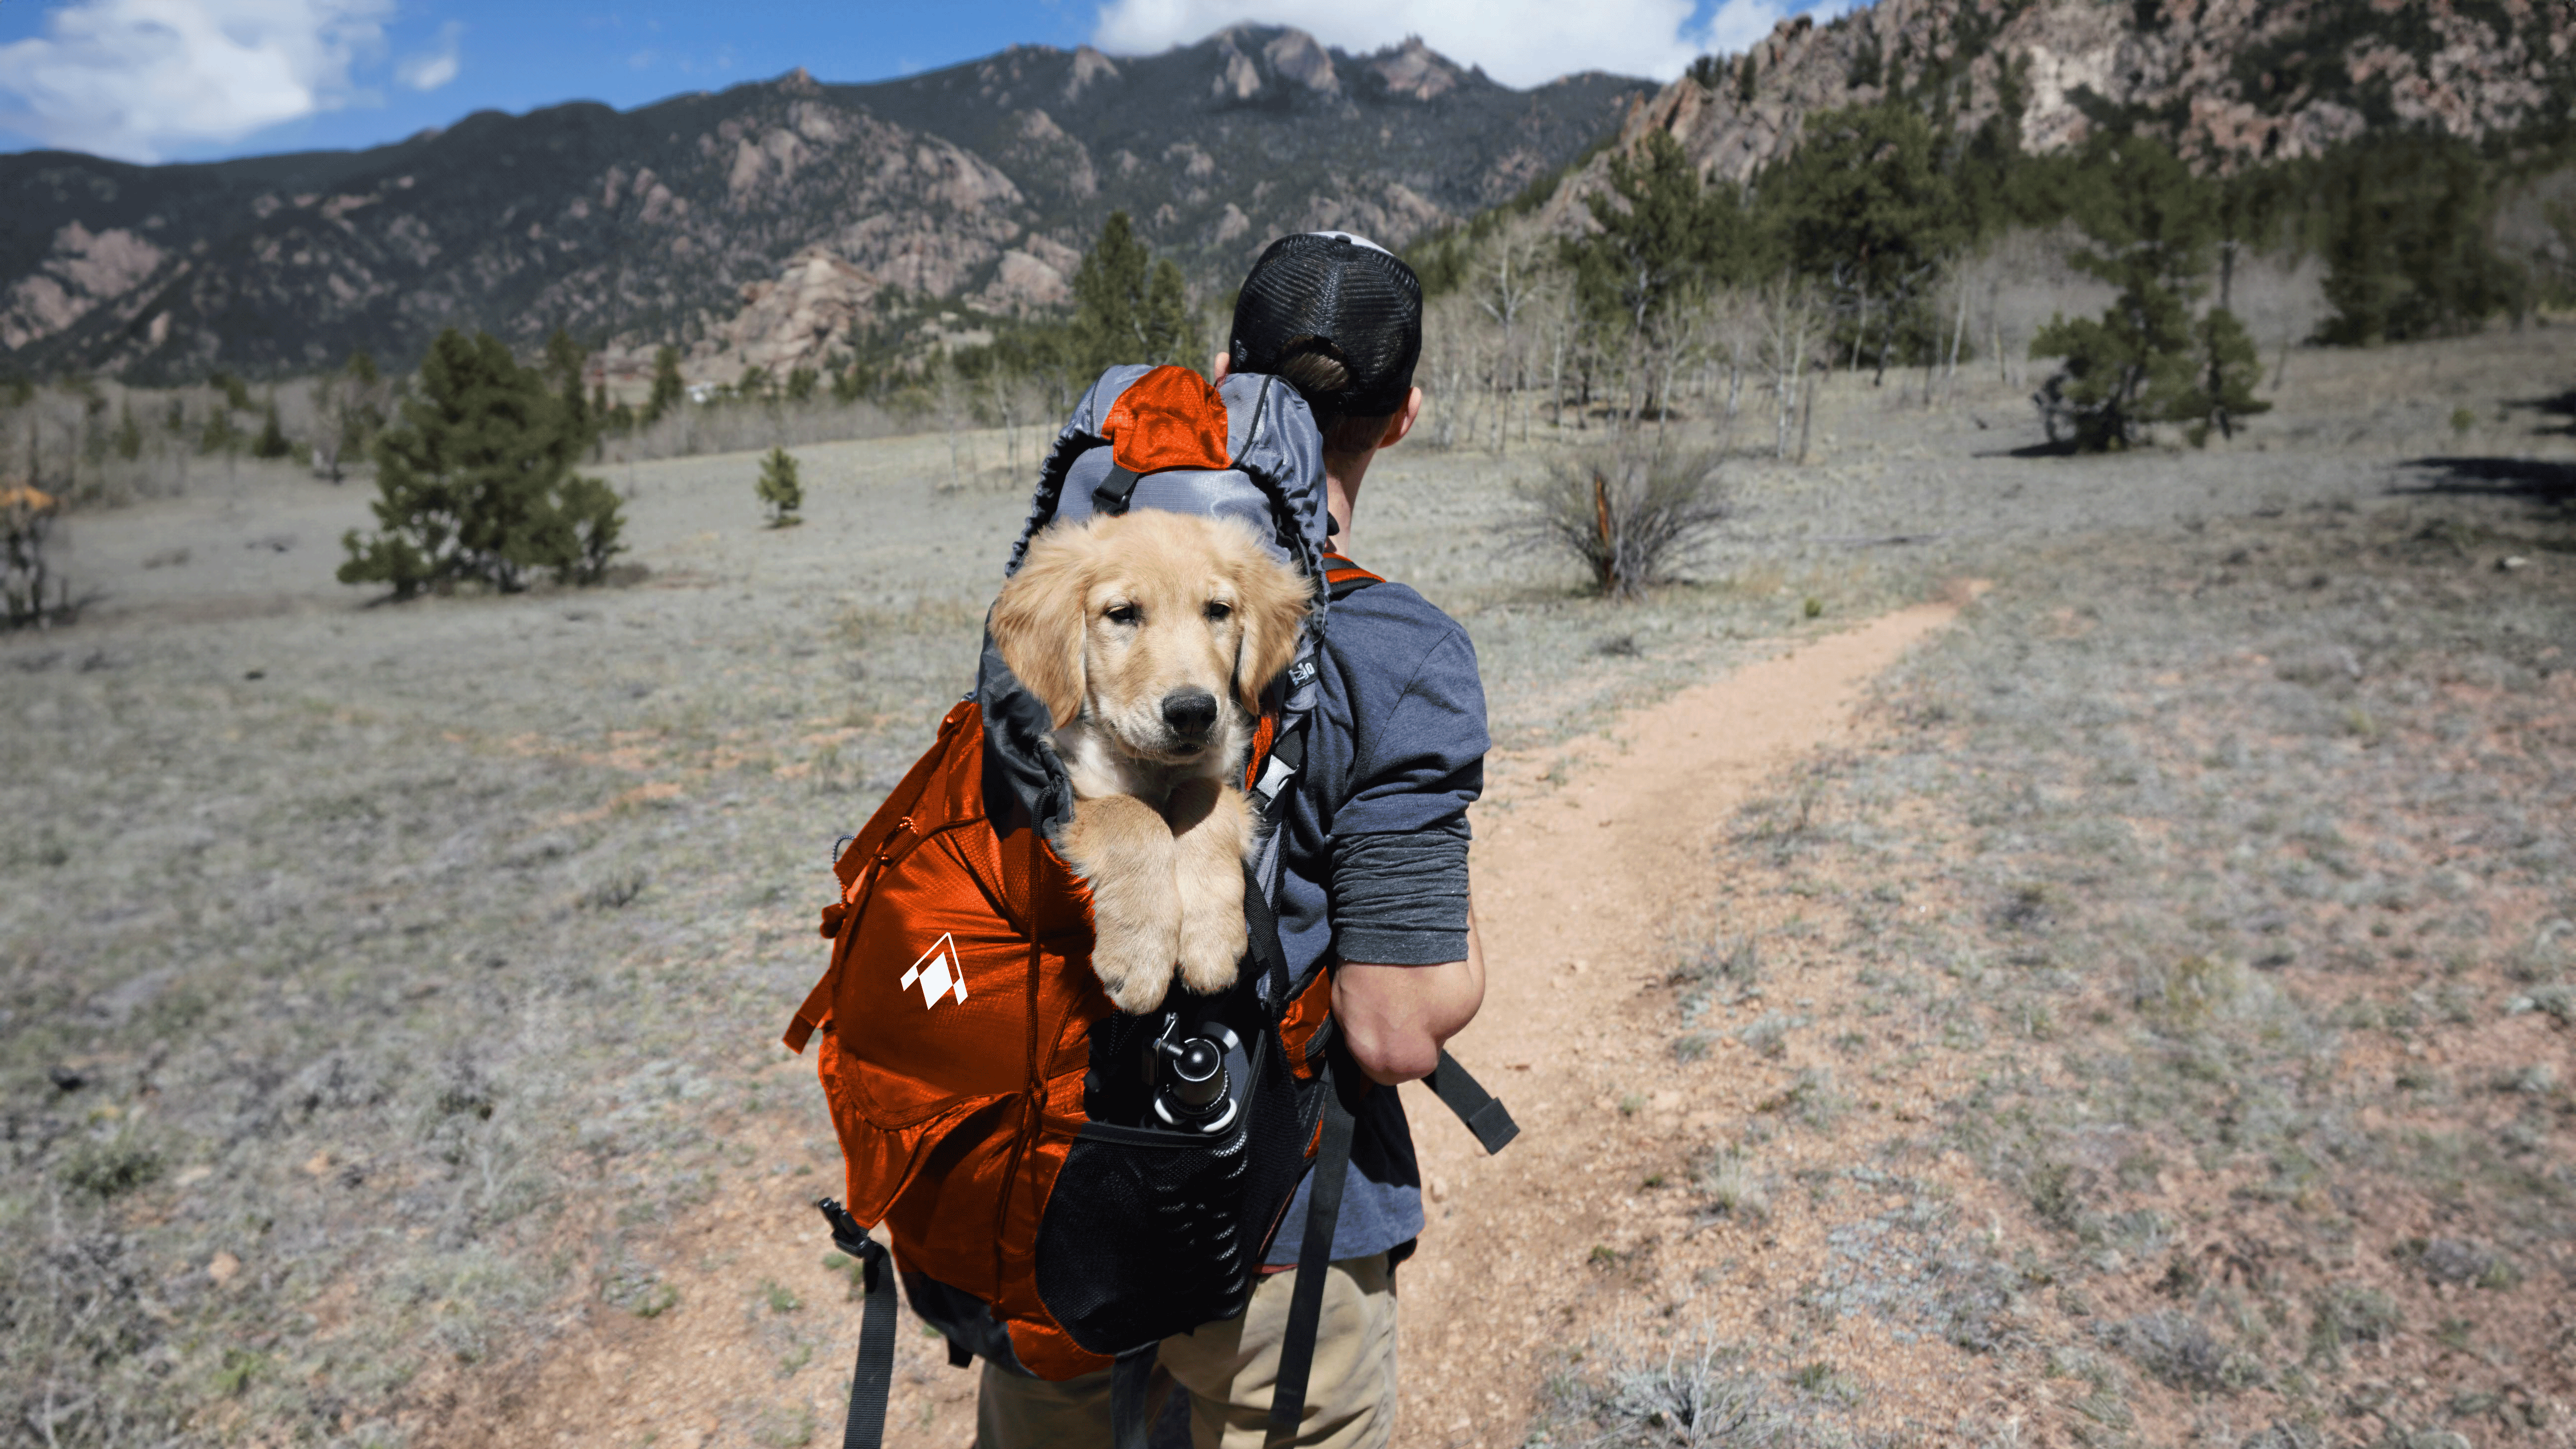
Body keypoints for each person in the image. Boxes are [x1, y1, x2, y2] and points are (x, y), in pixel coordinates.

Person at [975, 231, 1490, 1449]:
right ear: (1404, 414)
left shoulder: (1073, 591)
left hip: (1045, 1205)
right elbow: (1395, 1021)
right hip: (1269, 1242)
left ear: (1227, 378)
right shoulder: (1405, 653)